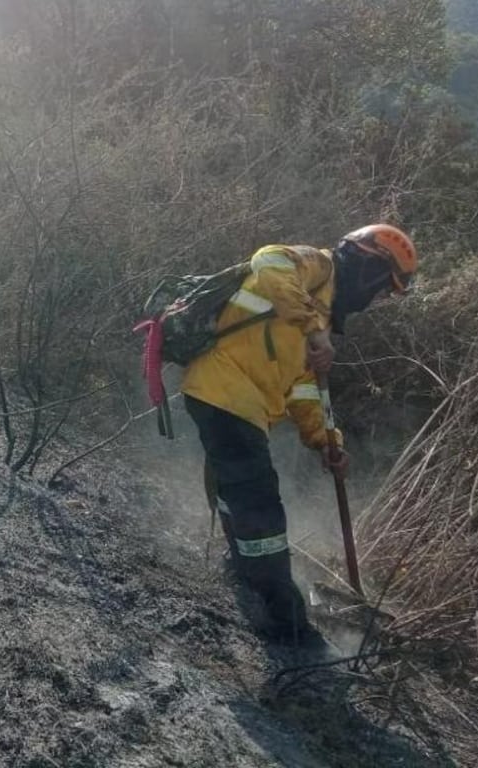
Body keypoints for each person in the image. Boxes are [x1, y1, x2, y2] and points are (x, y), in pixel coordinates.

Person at [180, 224, 417, 644]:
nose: (375, 301)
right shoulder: (317, 266)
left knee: (241, 493)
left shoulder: (321, 313)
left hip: (238, 402)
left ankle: (241, 573)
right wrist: (311, 327)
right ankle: (285, 623)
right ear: (370, 268)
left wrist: (327, 442)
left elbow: (304, 390)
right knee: (261, 506)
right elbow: (268, 259)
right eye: (384, 289)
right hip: (223, 388)